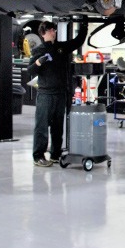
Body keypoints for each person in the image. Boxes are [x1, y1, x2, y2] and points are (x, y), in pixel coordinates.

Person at [30, 19, 88, 167]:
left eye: (54, 30)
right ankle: (38, 156)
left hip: (61, 93)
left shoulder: (61, 48)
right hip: (45, 94)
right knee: (42, 127)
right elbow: (30, 71)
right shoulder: (38, 51)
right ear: (43, 33)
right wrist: (39, 62)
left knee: (57, 126)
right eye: (50, 30)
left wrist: (84, 24)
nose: (53, 32)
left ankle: (55, 154)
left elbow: (77, 41)